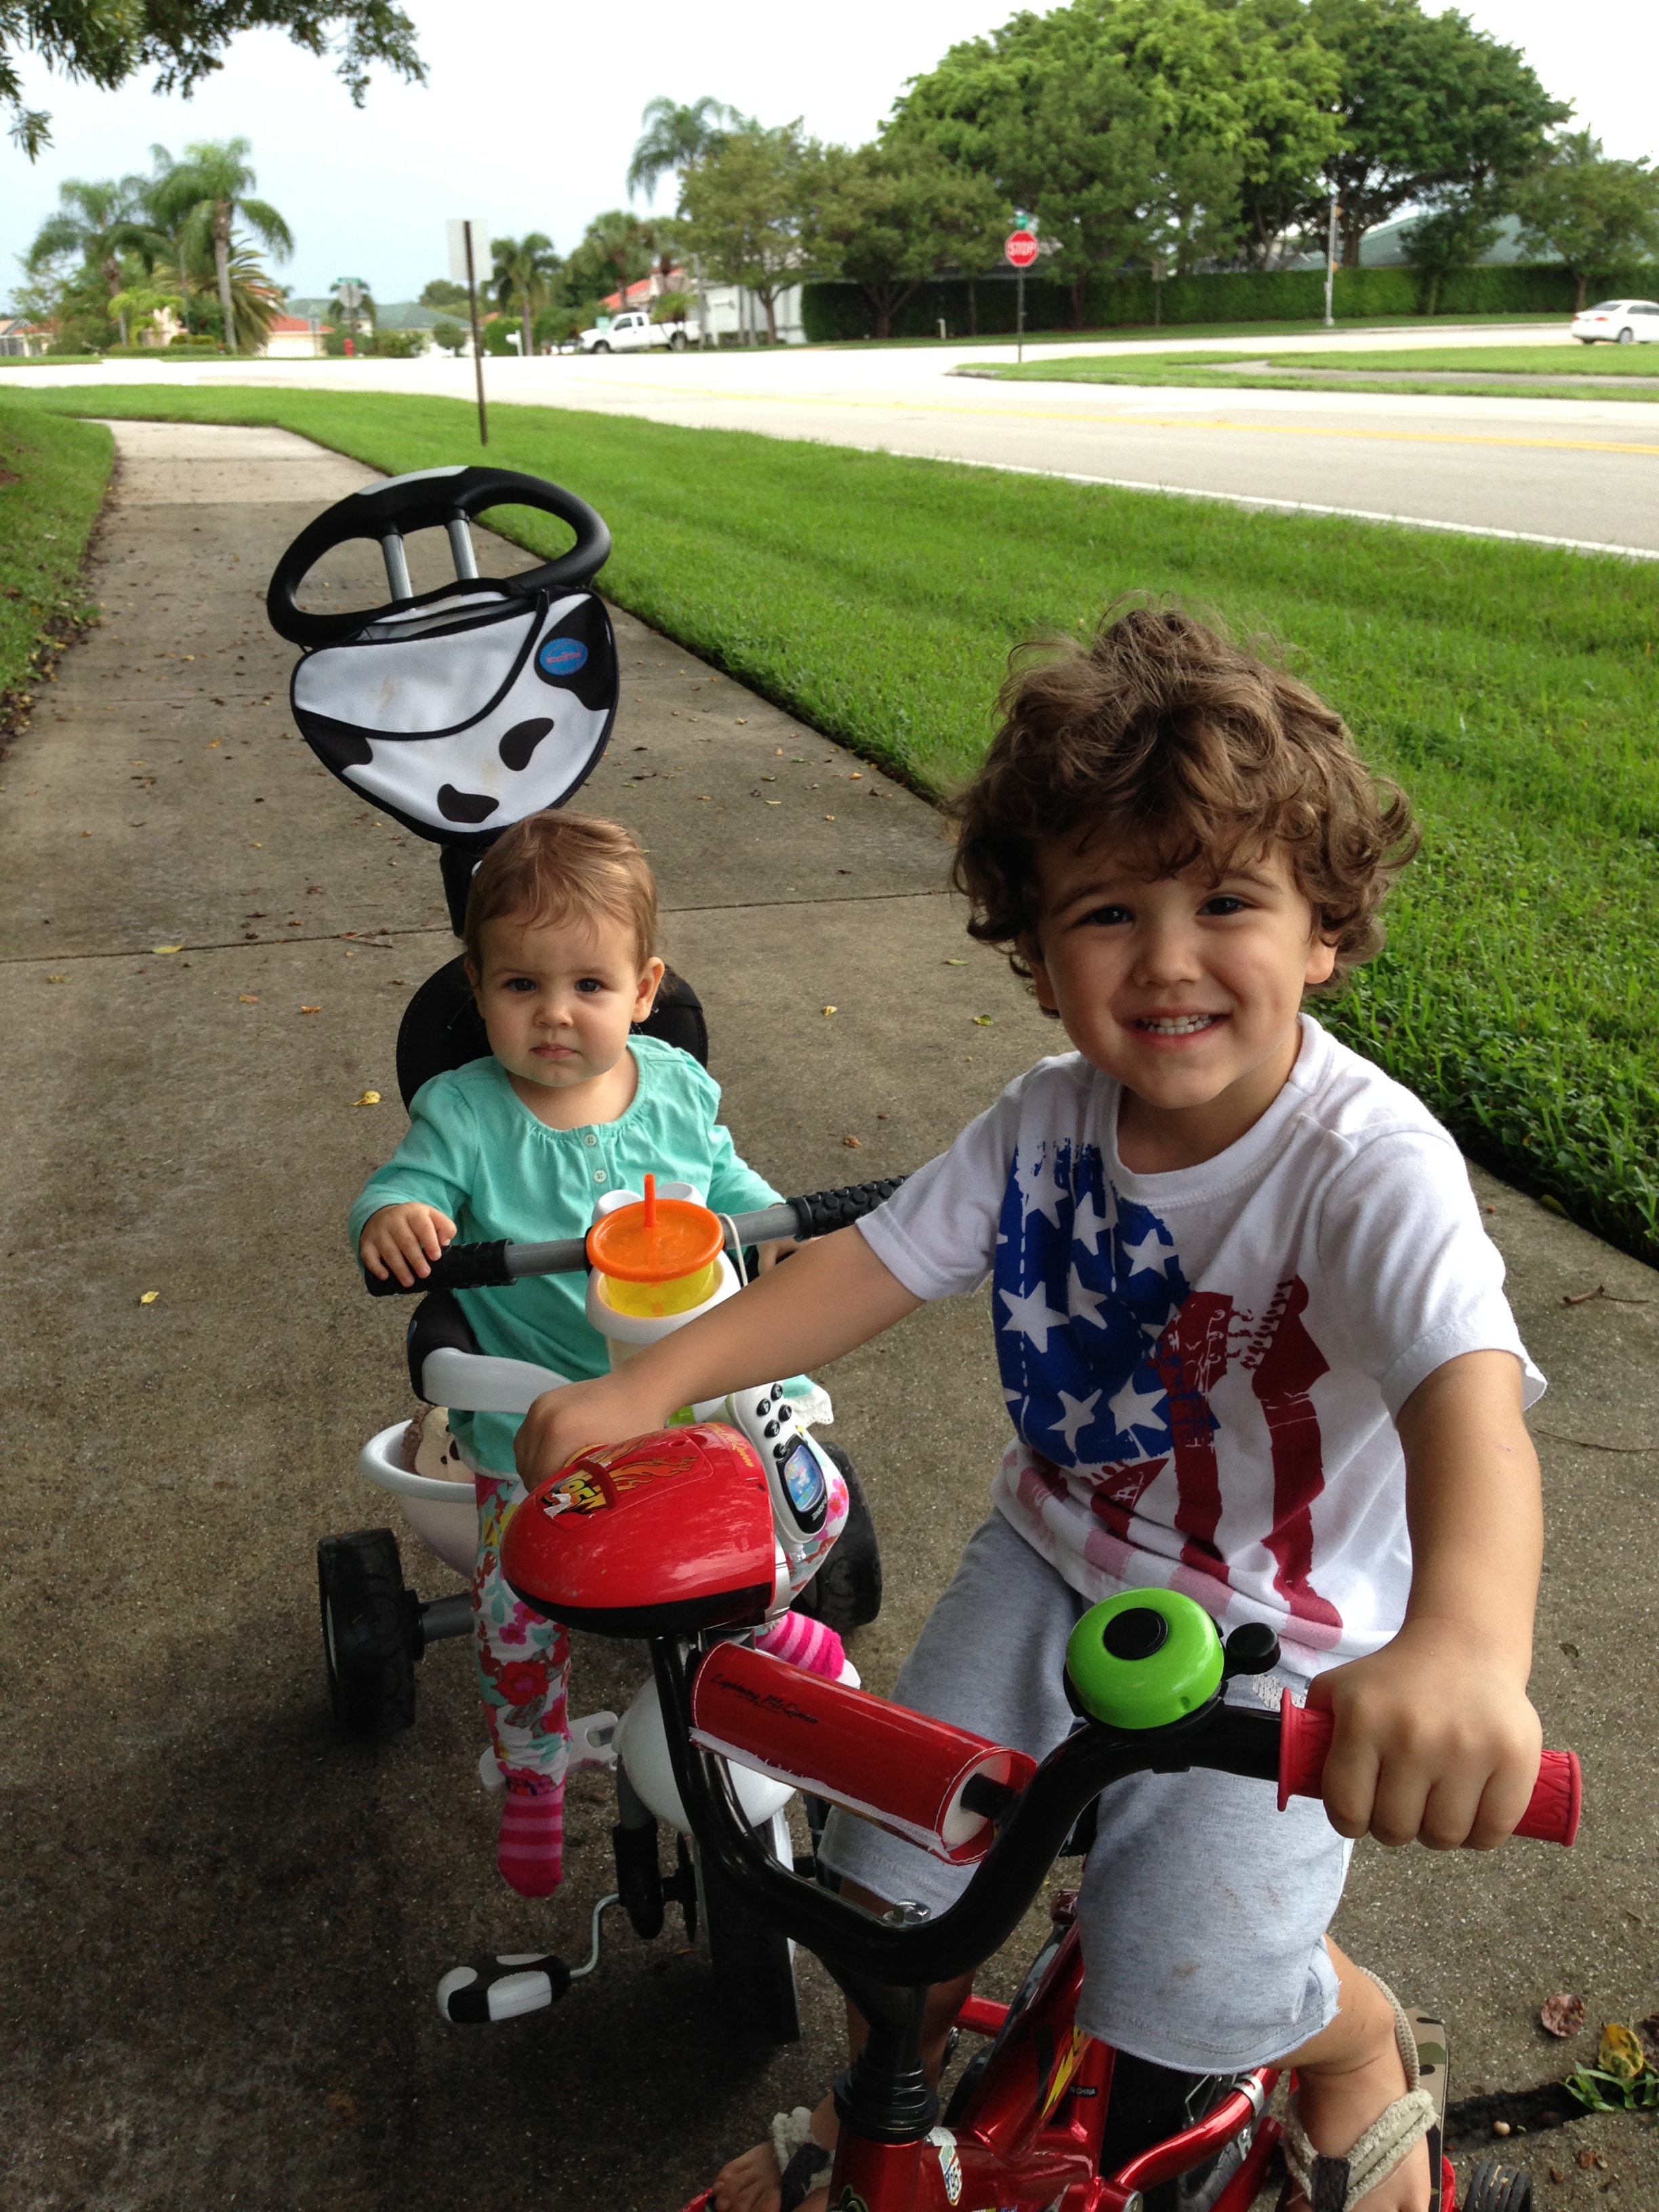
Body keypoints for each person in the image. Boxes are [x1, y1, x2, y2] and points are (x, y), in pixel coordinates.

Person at [517, 607, 1548, 2212]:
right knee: (890, 1901)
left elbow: (1466, 1396)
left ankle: (1350, 2041)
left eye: (1228, 902)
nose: (1168, 958)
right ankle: (886, 2104)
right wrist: (642, 1383)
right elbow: (871, 1262)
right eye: (1107, 912)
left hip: (1283, 1630)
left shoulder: (1366, 1167)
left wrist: (1468, 1648)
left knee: (1190, 1987)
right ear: (1041, 947)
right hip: (1054, 1555)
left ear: (1325, 932)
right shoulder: (1044, 1124)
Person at [351, 810, 846, 1901]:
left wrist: (780, 1226)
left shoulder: (673, 1084)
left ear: (644, 988)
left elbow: (725, 1180)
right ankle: (533, 1765)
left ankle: (770, 1630)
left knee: (798, 1504)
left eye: (589, 985)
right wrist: (397, 1219)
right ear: (477, 988)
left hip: (690, 1385)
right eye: (520, 986)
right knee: (515, 1607)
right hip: (543, 1419)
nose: (555, 1014)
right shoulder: (465, 1113)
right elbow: (405, 1187)